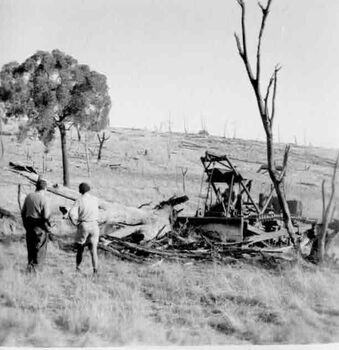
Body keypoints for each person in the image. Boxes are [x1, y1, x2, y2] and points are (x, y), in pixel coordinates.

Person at [68, 182, 100, 274]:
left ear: (80, 190)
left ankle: (78, 267)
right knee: (93, 249)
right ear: (89, 189)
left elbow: (71, 213)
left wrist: (75, 223)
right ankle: (95, 270)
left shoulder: (79, 200)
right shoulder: (95, 199)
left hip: (84, 224)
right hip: (94, 224)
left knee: (80, 248)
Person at [21, 177, 51, 272]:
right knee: (40, 248)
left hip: (29, 224)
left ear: (36, 187)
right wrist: (48, 224)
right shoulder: (44, 198)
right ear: (45, 188)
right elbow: (46, 216)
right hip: (39, 225)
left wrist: (25, 224)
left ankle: (30, 267)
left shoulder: (29, 196)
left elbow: (23, 212)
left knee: (31, 247)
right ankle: (37, 271)